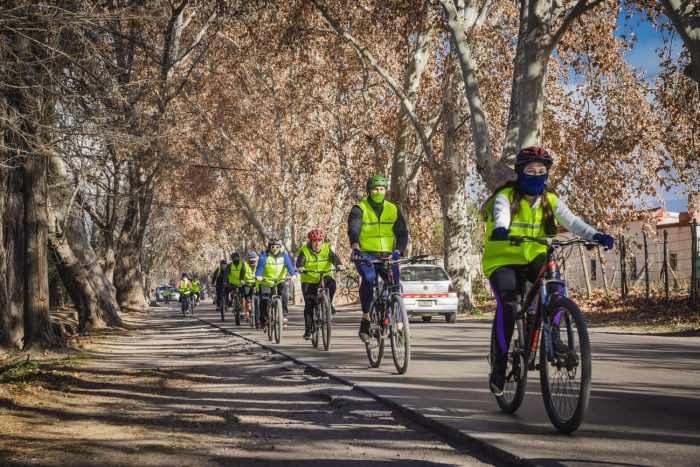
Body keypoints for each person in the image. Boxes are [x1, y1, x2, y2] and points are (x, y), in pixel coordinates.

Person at [482, 146, 614, 396]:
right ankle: (499, 366)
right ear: (520, 173)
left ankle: (553, 336)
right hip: (503, 259)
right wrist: (501, 228)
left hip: (535, 254)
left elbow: (572, 221)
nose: (536, 175)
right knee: (509, 306)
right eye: (531, 170)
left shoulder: (550, 200)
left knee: (555, 287)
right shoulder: (505, 196)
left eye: (542, 171)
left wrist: (596, 234)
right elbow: (501, 215)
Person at [348, 175, 409, 343]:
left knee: (396, 286)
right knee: (369, 278)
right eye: (375, 189)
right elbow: (354, 229)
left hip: (387, 255)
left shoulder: (393, 209)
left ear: (385, 191)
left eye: (381, 189)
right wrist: (355, 248)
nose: (378, 192)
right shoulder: (359, 209)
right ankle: (366, 317)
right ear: (369, 190)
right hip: (365, 253)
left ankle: (399, 326)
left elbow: (402, 234)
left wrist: (398, 251)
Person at [296, 228, 345, 340]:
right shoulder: (305, 250)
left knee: (332, 283)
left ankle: (329, 305)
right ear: (311, 242)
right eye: (314, 241)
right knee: (309, 304)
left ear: (322, 241)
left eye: (319, 241)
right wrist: (301, 267)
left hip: (324, 275)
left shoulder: (327, 248)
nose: (317, 243)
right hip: (309, 279)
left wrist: (339, 265)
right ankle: (308, 331)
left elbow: (334, 258)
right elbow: (300, 261)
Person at [255, 238, 296, 329]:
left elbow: (289, 266)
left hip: (279, 280)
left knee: (285, 295)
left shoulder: (284, 255)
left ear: (280, 247)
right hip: (266, 281)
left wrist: (293, 275)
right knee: (264, 299)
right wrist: (258, 275)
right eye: (272, 246)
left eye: (277, 246)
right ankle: (263, 320)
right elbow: (260, 267)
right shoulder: (264, 255)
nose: (274, 248)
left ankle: (284, 314)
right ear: (269, 247)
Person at [242, 251, 259, 323]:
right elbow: (242, 273)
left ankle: (257, 311)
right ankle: (247, 315)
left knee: (257, 297)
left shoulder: (259, 265)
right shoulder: (245, 265)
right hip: (247, 283)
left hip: (256, 283)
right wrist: (242, 280)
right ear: (248, 259)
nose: (252, 260)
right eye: (251, 258)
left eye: (254, 258)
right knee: (247, 299)